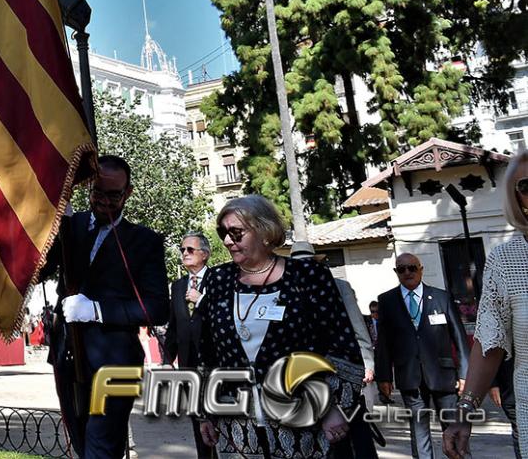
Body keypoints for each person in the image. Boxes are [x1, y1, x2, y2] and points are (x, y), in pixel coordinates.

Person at [196, 195, 363, 458]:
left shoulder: (308, 276)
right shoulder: (218, 280)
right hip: (237, 424)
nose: (228, 241)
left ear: (264, 231)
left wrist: (334, 407)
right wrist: (205, 412)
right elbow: (207, 353)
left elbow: (342, 348)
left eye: (236, 233)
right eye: (223, 233)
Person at [51, 152, 170, 459]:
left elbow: (157, 308)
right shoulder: (70, 226)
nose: (104, 201)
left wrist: (97, 310)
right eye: (97, 193)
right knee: (83, 440)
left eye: (113, 195)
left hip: (117, 363)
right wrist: (47, 224)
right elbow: (41, 269)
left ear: (127, 193)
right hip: (69, 353)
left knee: (100, 444)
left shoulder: (145, 241)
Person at [444, 151, 527, 459]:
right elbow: (489, 342)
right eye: (527, 186)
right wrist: (465, 412)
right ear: (516, 199)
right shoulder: (505, 262)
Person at [374, 251, 468, 459]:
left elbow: (459, 337)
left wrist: (464, 373)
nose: (408, 272)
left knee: (454, 429)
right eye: (402, 269)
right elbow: (383, 343)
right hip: (410, 377)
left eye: (412, 268)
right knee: (419, 432)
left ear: (421, 269)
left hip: (443, 376)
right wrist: (384, 377)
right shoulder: (387, 301)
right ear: (396, 272)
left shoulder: (441, 297)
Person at [291, 240, 380, 459]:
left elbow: (358, 327)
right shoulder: (287, 290)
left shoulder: (339, 286)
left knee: (357, 434)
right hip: (308, 377)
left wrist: (367, 363)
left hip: (344, 372)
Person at [165, 231, 212, 459]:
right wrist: (166, 361)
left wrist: (201, 300)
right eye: (182, 250)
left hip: (215, 363)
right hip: (188, 364)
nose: (184, 253)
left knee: (217, 418)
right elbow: (174, 327)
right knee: (197, 420)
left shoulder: (219, 279)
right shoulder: (177, 286)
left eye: (190, 250)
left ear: (204, 254)